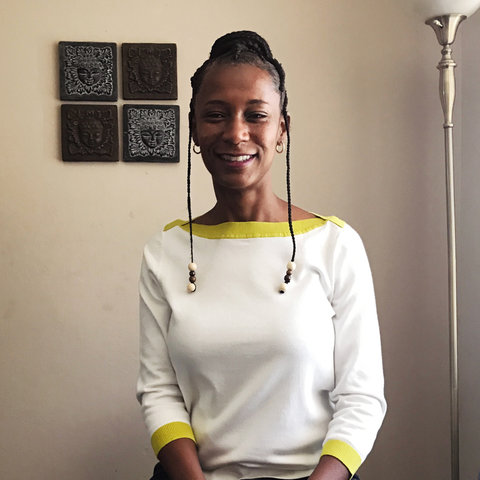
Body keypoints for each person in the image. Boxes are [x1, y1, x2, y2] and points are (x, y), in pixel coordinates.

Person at [137, 31, 386, 480]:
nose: (236, 133)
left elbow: (362, 396)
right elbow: (159, 389)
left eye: (256, 115)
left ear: (281, 130)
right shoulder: (166, 251)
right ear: (194, 129)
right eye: (215, 115)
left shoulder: (334, 244)